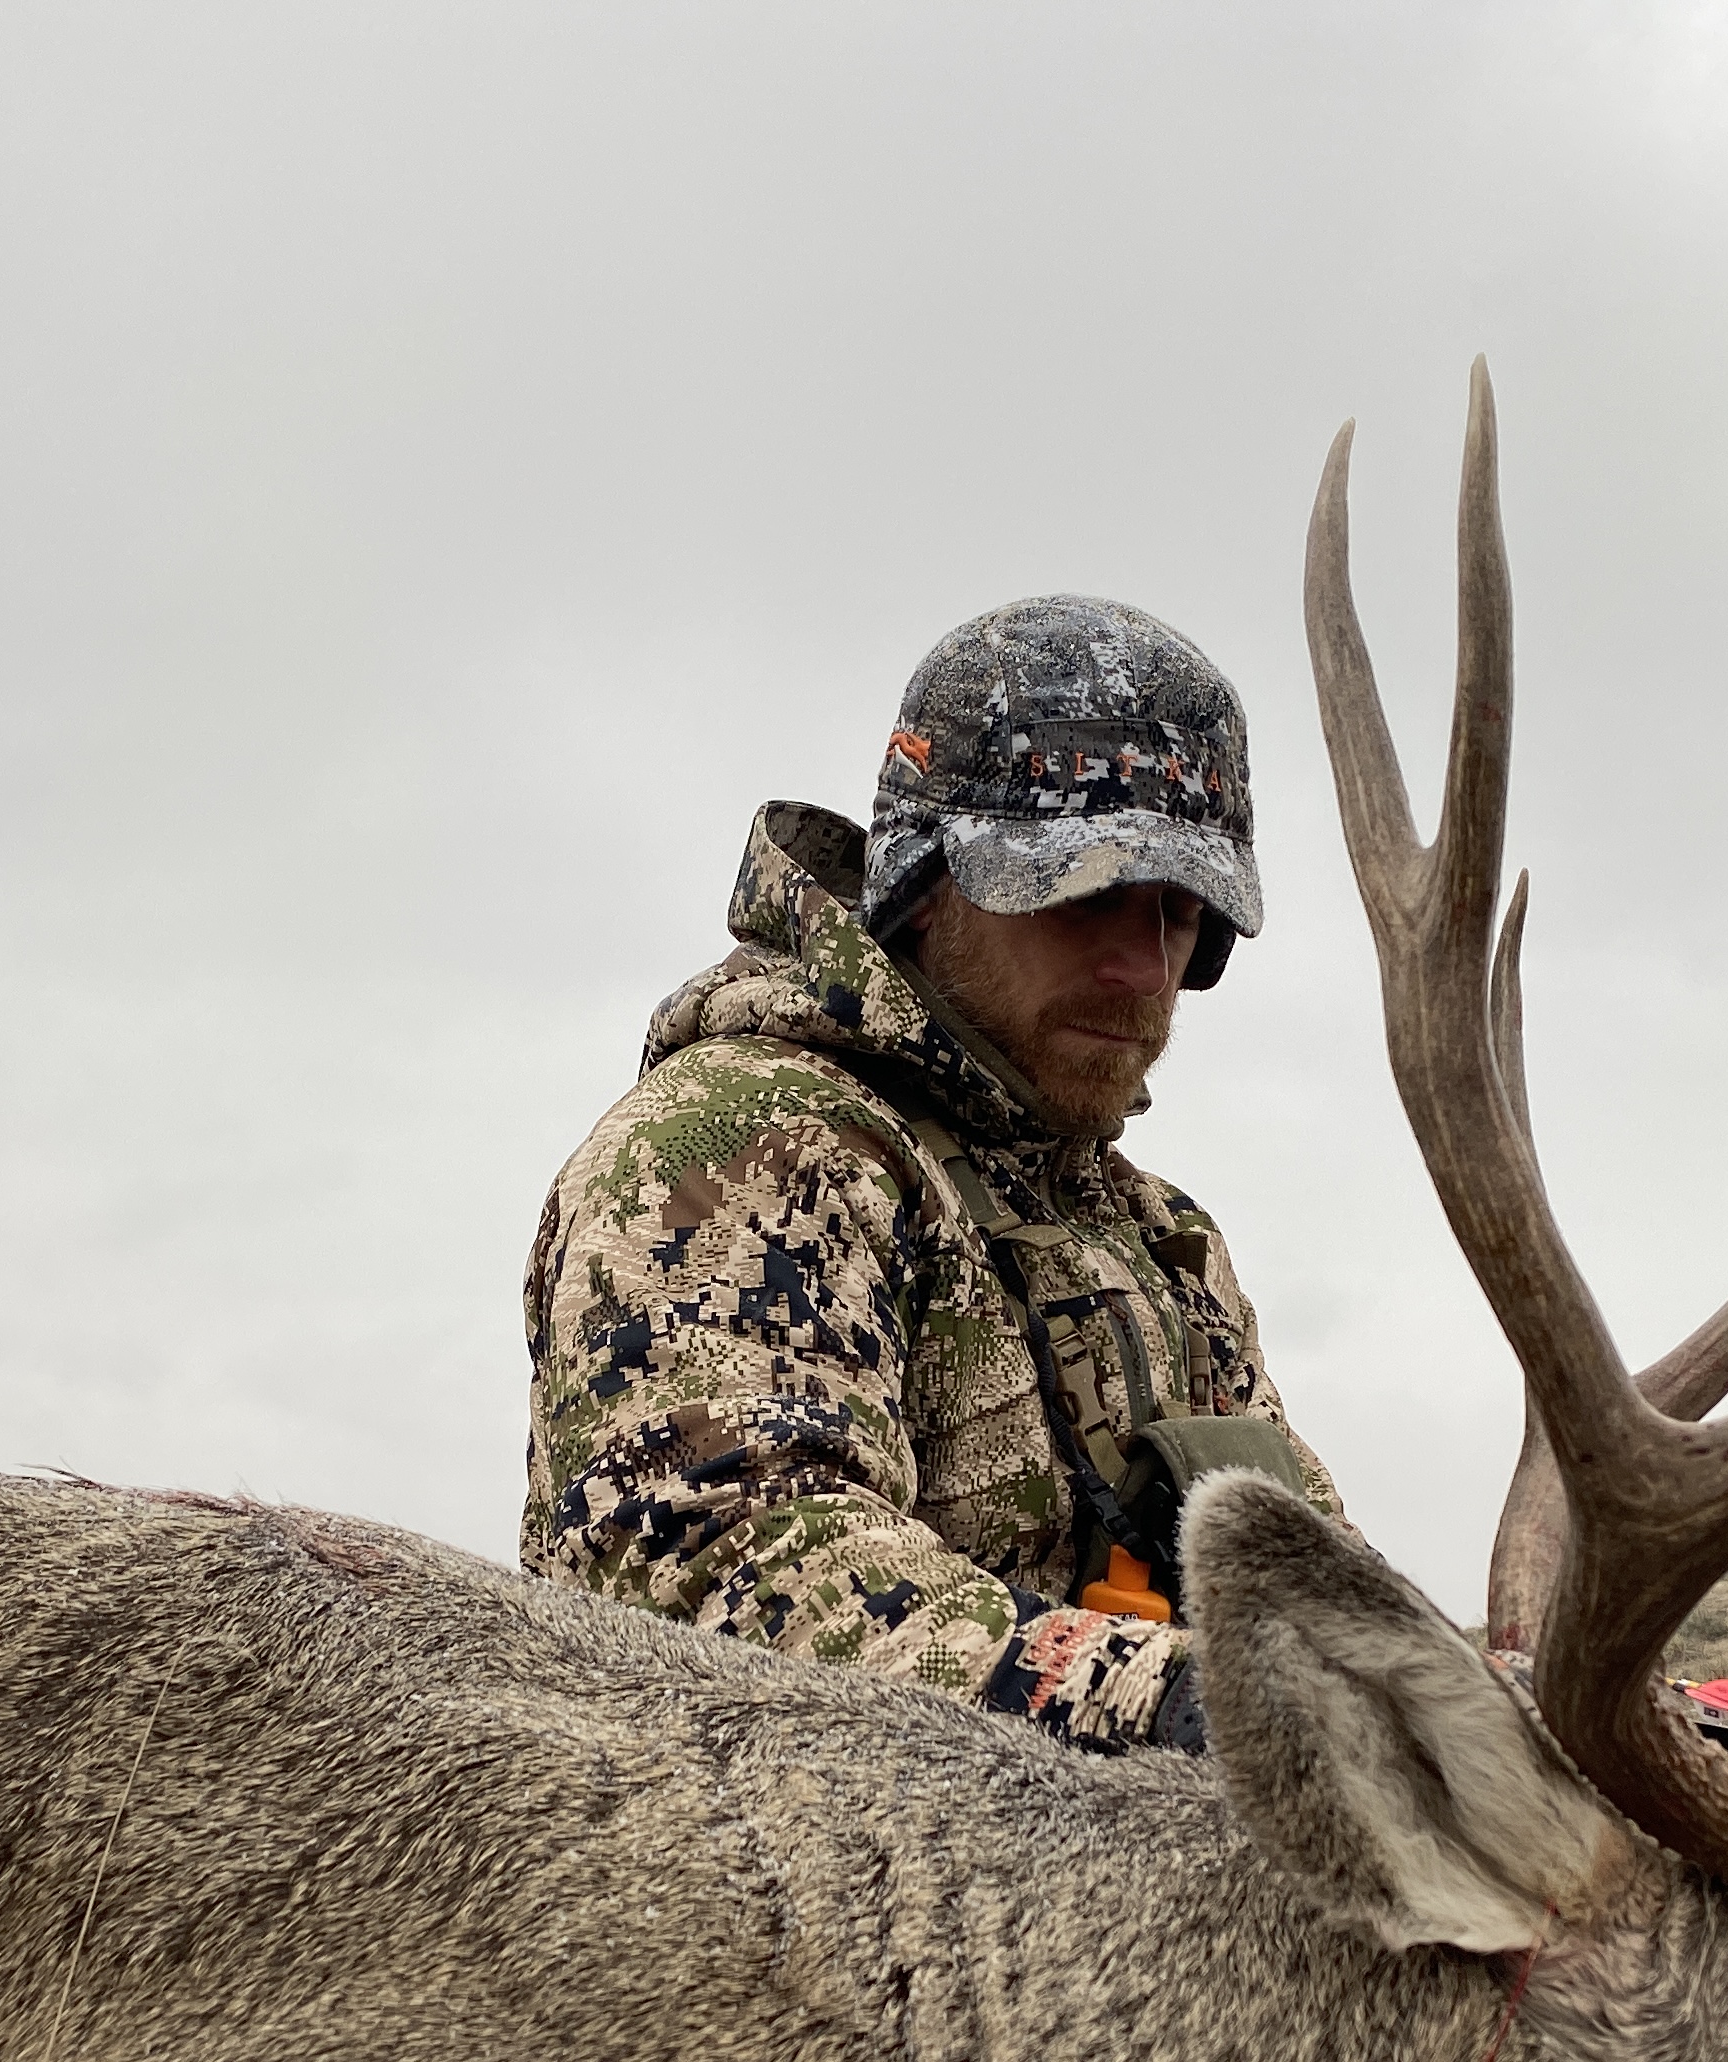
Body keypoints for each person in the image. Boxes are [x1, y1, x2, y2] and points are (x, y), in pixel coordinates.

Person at [520, 597, 1346, 1754]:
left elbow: (1325, 1605)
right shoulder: (737, 1150)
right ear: (923, 884)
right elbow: (728, 1579)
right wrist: (1201, 1709)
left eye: (1182, 911)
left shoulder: (1160, 1240)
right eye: (1082, 892)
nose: (1140, 963)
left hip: (1114, 1895)